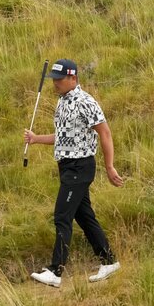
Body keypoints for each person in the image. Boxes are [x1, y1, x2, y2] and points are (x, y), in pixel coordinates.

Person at [24, 60, 123, 287]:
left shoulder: (86, 102)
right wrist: (36, 138)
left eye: (59, 79)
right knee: (84, 216)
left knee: (62, 215)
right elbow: (62, 137)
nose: (55, 83)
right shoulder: (62, 103)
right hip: (67, 167)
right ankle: (108, 261)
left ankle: (55, 271)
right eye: (54, 79)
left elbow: (105, 134)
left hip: (81, 167)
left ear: (73, 78)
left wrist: (109, 166)